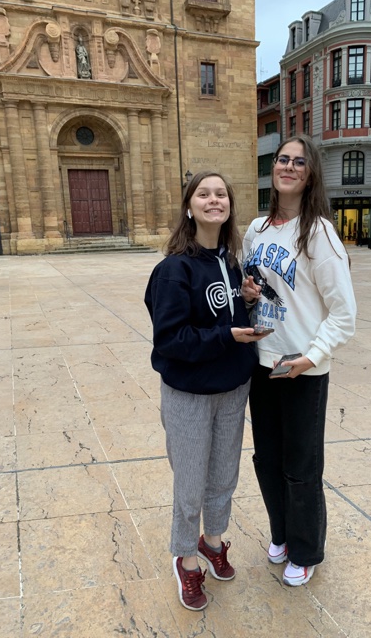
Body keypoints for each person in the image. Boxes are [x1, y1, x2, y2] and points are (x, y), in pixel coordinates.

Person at [144, 171, 269, 611]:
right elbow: (170, 340)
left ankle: (212, 542)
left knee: (223, 477)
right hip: (189, 394)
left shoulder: (232, 263)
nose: (214, 200)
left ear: (230, 206)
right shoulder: (172, 270)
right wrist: (226, 337)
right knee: (191, 482)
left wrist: (246, 303)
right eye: (204, 194)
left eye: (221, 194)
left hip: (233, 389)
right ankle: (186, 559)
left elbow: (226, 316)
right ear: (189, 206)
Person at [242, 135, 357, 587]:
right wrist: (248, 294)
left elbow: (344, 314)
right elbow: (254, 292)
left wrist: (311, 357)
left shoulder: (319, 233)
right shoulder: (256, 230)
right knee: (267, 460)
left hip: (302, 368)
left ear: (310, 176)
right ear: (273, 168)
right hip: (263, 363)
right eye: (282, 160)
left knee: (301, 467)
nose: (288, 167)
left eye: (299, 162)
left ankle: (306, 549)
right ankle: (282, 534)